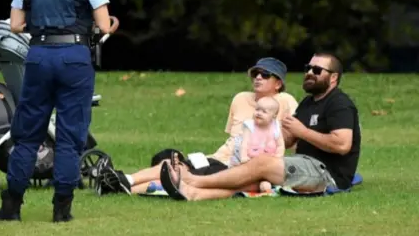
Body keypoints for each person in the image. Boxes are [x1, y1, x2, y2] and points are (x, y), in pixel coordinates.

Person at [0, 0, 118, 223]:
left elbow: (17, 23)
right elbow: (102, 25)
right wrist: (111, 26)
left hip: (39, 56)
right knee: (70, 134)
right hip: (74, 57)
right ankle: (62, 209)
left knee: (27, 133)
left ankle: (11, 207)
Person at [159, 52, 361, 201]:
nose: (309, 73)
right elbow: (290, 139)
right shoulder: (309, 103)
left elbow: (342, 144)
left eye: (317, 70)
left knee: (261, 164)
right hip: (302, 164)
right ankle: (193, 194)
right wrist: (267, 134)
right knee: (251, 178)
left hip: (326, 174)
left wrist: (303, 132)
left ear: (333, 77)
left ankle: (191, 180)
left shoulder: (339, 104)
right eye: (308, 67)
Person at [95, 57, 298, 196]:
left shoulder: (285, 101)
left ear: (278, 83)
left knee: (179, 174)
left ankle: (121, 184)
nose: (258, 78)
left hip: (238, 167)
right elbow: (231, 138)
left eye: (264, 75)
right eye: (255, 74)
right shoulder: (241, 98)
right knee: (176, 165)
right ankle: (123, 181)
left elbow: (294, 138)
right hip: (218, 158)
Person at [229, 96, 285, 192]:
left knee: (271, 175)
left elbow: (280, 145)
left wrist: (278, 157)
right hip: (249, 159)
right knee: (240, 173)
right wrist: (243, 157)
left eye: (264, 111)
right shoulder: (250, 125)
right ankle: (237, 181)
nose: (259, 113)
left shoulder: (276, 127)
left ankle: (265, 183)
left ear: (274, 116)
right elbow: (245, 143)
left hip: (268, 161)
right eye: (257, 109)